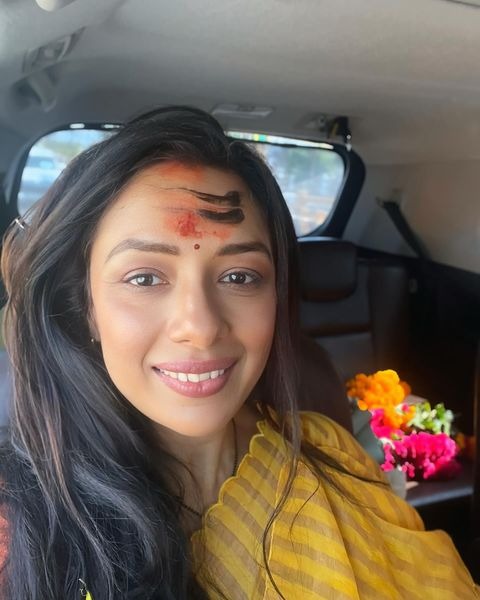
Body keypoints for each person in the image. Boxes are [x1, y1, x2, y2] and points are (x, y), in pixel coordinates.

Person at [0, 106, 477, 600]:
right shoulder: (19, 528)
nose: (201, 328)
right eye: (144, 278)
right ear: (86, 307)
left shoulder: (328, 449)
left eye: (239, 276)